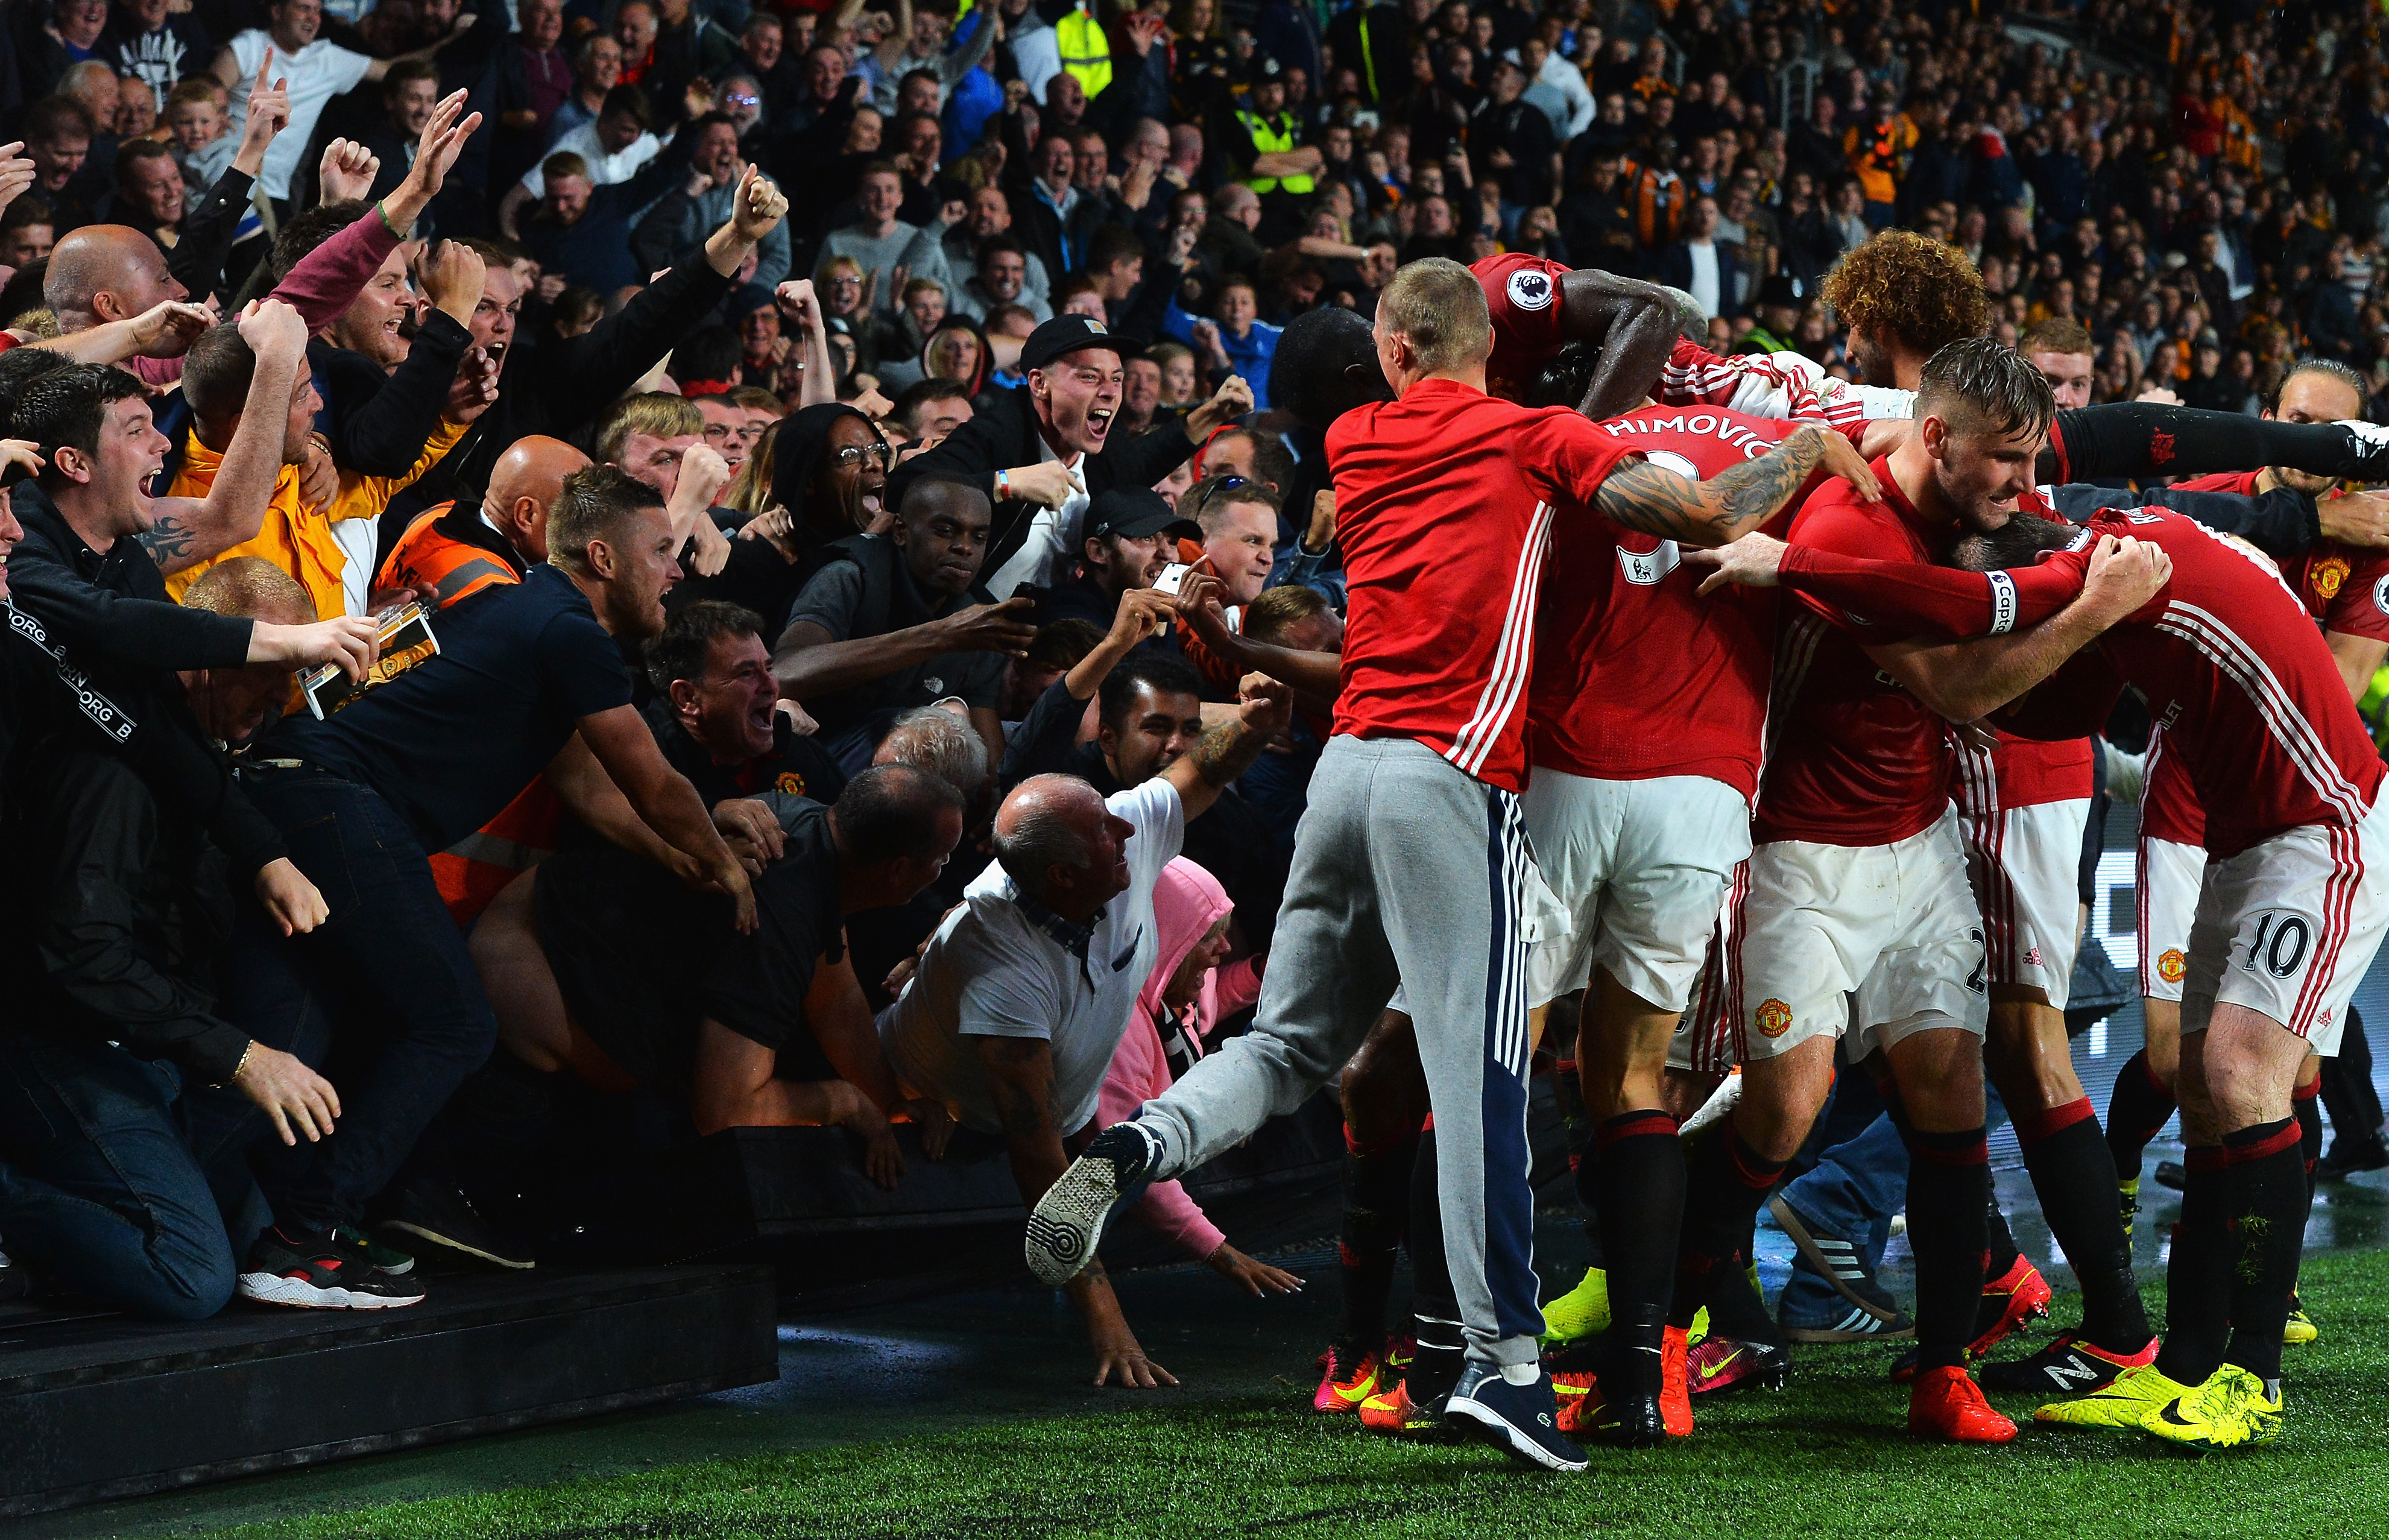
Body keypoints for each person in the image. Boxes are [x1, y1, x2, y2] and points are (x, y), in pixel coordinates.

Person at [1025, 259, 1870, 1471]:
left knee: (1289, 1046)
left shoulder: (1356, 436)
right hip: (1449, 772)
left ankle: (1128, 1151)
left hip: (1348, 765)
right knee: (1479, 1080)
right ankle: (1506, 1369)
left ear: (1397, 352)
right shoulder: (1535, 434)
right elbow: (1699, 514)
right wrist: (1801, 457)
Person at [1667, 340, 2171, 1445]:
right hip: (1802, 851)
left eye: (2031, 460)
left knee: (1948, 1093)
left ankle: (1943, 1370)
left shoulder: (1933, 484)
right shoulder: (1849, 523)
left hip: (1920, 839)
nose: (2020, 485)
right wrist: (2088, 603)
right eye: (2003, 461)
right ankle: (1663, 1319)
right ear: (1936, 438)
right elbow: (1956, 678)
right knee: (1783, 1108)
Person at [199, 467, 754, 1304]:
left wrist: (677, 857)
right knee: (456, 1024)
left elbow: (588, 783)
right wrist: (727, 867)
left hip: (293, 793)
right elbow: (653, 782)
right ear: (603, 557)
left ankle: (286, 1221)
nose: (675, 570)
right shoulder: (569, 632)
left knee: (323, 1022)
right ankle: (299, 1239)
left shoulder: (523, 610)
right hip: (334, 801)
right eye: (662, 551)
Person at [1945, 499, 2389, 1452]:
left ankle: (2255, 1377)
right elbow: (2043, 702)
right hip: (2243, 839)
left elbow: (2024, 664)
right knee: (2199, 1086)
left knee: (2240, 1075)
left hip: (2323, 830)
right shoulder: (2119, 569)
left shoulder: (2120, 574)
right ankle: (2183, 1365)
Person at [878, 671, 1292, 1386]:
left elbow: (1200, 768)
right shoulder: (1003, 965)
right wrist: (1106, 1318)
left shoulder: (1112, 836)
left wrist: (1259, 722)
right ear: (1062, 879)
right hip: (946, 1104)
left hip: (1054, 1088)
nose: (1129, 830)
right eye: (1105, 833)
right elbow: (1038, 1158)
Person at [892, 314, 1251, 600]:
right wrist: (1006, 483)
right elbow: (903, 487)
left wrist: (1214, 412)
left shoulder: (1098, 452)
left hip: (1045, 644)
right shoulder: (998, 433)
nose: (1110, 393)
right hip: (959, 631)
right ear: (1039, 384)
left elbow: (1144, 460)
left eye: (1116, 379)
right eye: (1090, 377)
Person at [1096, 856, 1305, 1294]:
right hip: (1118, 1163)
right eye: (1209, 936)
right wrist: (1221, 1254)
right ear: (1168, 941)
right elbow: (1129, 1163)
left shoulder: (1169, 989)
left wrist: (1260, 974)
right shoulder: (1117, 1027)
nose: (1226, 948)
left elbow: (1209, 1003)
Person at [771, 473, 1032, 773]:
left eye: (979, 537)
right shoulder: (851, 577)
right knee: (933, 727)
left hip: (907, 778)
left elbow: (990, 767)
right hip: (810, 755)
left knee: (954, 733)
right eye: (946, 531)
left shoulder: (979, 619)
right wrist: (941, 636)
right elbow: (785, 674)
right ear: (901, 532)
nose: (965, 548)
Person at [1041, 487, 1191, 628]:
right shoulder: (1068, 618)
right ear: (1098, 551)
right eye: (1147, 538)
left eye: (1173, 542)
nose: (1167, 554)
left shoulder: (1160, 615)